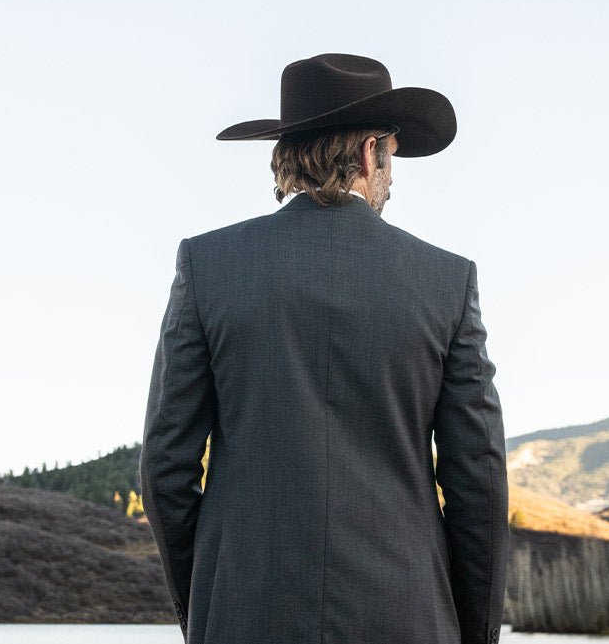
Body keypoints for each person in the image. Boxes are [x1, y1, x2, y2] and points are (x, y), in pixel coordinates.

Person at [140, 54, 509, 644]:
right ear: (370, 154)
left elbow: (165, 468)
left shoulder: (207, 266)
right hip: (408, 619)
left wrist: (212, 608)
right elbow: (478, 483)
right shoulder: (447, 281)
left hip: (243, 618)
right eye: (392, 152)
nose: (395, 175)